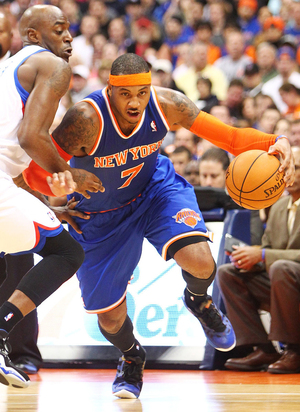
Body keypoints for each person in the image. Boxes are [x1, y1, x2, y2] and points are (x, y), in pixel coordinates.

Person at [24, 53, 294, 399]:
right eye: (126, 94)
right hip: (100, 216)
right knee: (108, 319)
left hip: (155, 189)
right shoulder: (85, 119)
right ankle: (132, 357)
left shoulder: (168, 104)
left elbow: (230, 137)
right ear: (110, 90)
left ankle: (198, 301)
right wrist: (55, 193)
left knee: (200, 260)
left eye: (142, 92)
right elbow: (34, 172)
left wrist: (275, 141)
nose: (135, 101)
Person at [0, 4, 104, 389]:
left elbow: (21, 164)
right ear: (32, 35)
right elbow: (31, 138)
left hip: (6, 182)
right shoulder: (52, 67)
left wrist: (48, 196)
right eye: (58, 28)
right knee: (67, 253)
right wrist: (69, 171)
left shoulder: (9, 68)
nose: (68, 36)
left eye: (69, 29)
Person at [218, 146, 300, 374]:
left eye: (296, 168)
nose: (289, 174)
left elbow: (269, 254)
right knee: (227, 273)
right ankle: (263, 348)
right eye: (284, 169)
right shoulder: (280, 204)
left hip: (290, 276)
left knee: (282, 267)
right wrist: (249, 255)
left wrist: (263, 255)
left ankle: (294, 350)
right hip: (284, 281)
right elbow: (268, 247)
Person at [0, 10, 42, 375]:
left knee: (17, 271)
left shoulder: (22, 70)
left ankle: (25, 351)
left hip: (12, 182)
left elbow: (34, 134)